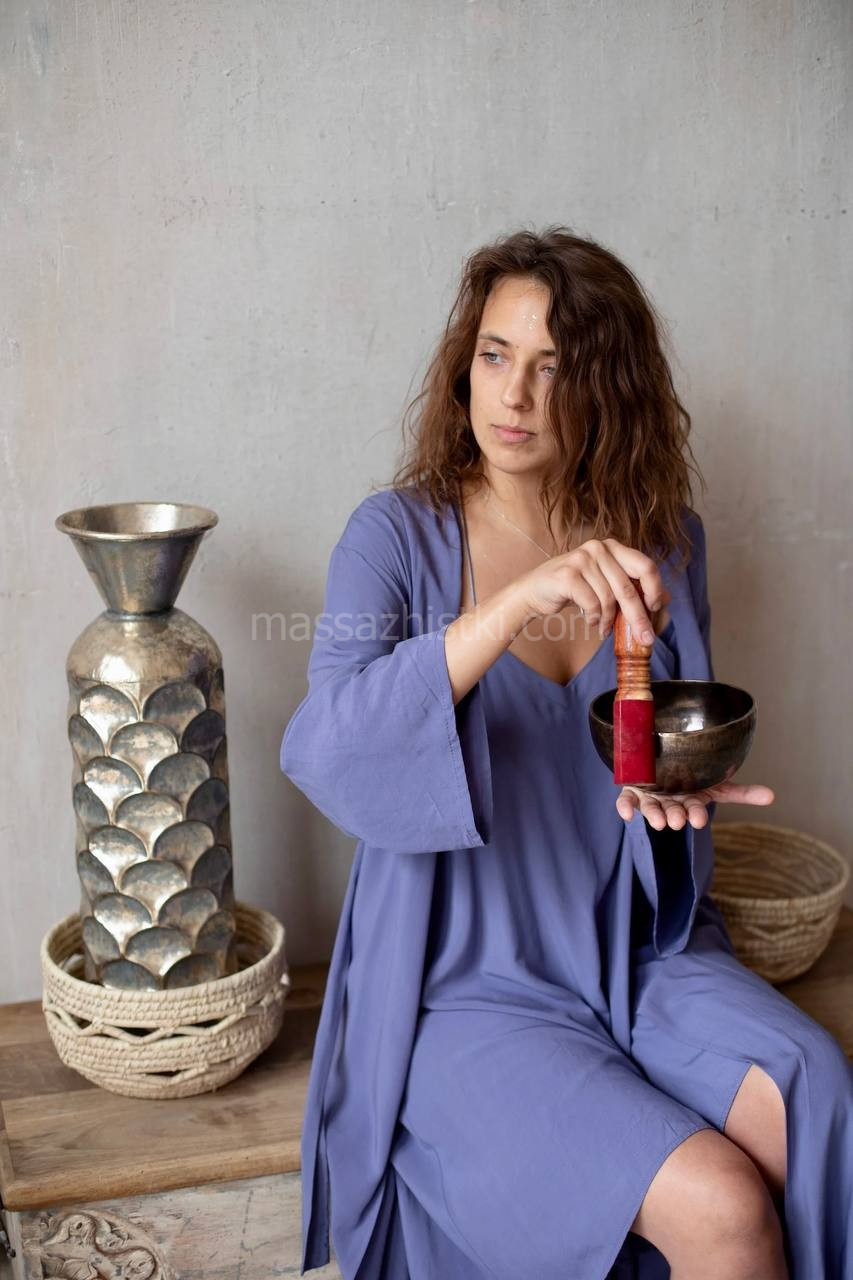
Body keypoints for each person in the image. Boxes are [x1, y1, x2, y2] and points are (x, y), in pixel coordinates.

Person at [280, 226, 852, 1280]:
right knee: (722, 1204)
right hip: (464, 986)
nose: (514, 394)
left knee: (809, 1095)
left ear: (606, 387)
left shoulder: (665, 540)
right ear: (464, 366)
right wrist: (512, 605)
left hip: (640, 952)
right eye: (494, 355)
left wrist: (675, 795)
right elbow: (327, 745)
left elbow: (650, 747)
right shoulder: (392, 537)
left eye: (553, 367)